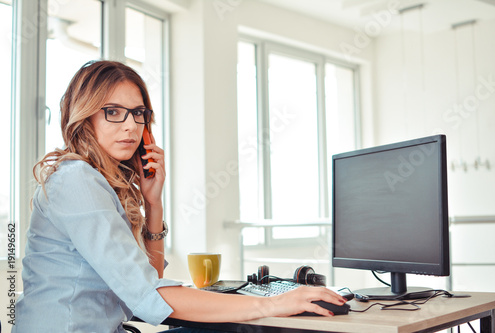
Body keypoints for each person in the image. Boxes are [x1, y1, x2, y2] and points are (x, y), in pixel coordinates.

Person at [13, 60, 347, 332]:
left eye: (138, 113)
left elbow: (150, 280)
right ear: (85, 116)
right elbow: (149, 294)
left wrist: (153, 203)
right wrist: (274, 302)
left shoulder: (98, 182)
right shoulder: (77, 181)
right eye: (113, 112)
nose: (131, 126)